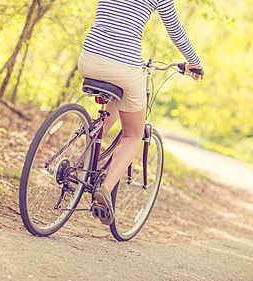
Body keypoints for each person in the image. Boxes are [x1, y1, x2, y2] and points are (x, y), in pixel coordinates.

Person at [78, 0, 204, 225]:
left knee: (117, 100)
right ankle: (105, 190)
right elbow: (175, 30)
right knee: (133, 135)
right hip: (125, 66)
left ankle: (82, 158)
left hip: (89, 58)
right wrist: (194, 62)